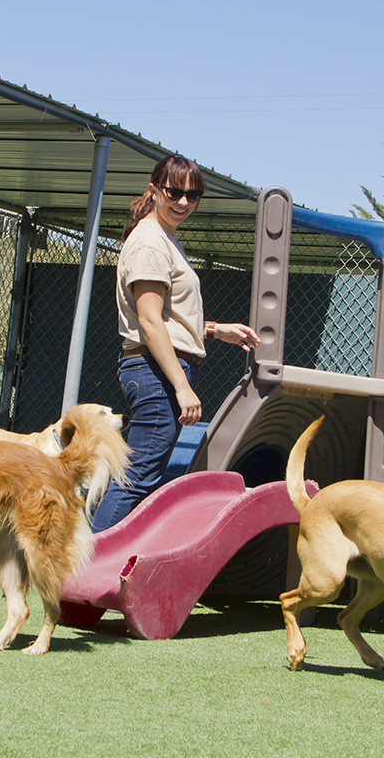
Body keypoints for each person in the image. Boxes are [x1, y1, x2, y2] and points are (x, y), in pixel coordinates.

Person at [90, 154, 260, 532]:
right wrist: (182, 387)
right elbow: (149, 321)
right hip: (156, 373)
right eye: (174, 191)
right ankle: (84, 577)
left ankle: (97, 571)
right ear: (154, 190)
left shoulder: (164, 237)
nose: (183, 202)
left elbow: (167, 318)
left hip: (158, 369)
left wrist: (216, 330)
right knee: (137, 481)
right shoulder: (150, 241)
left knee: (139, 478)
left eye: (193, 194)